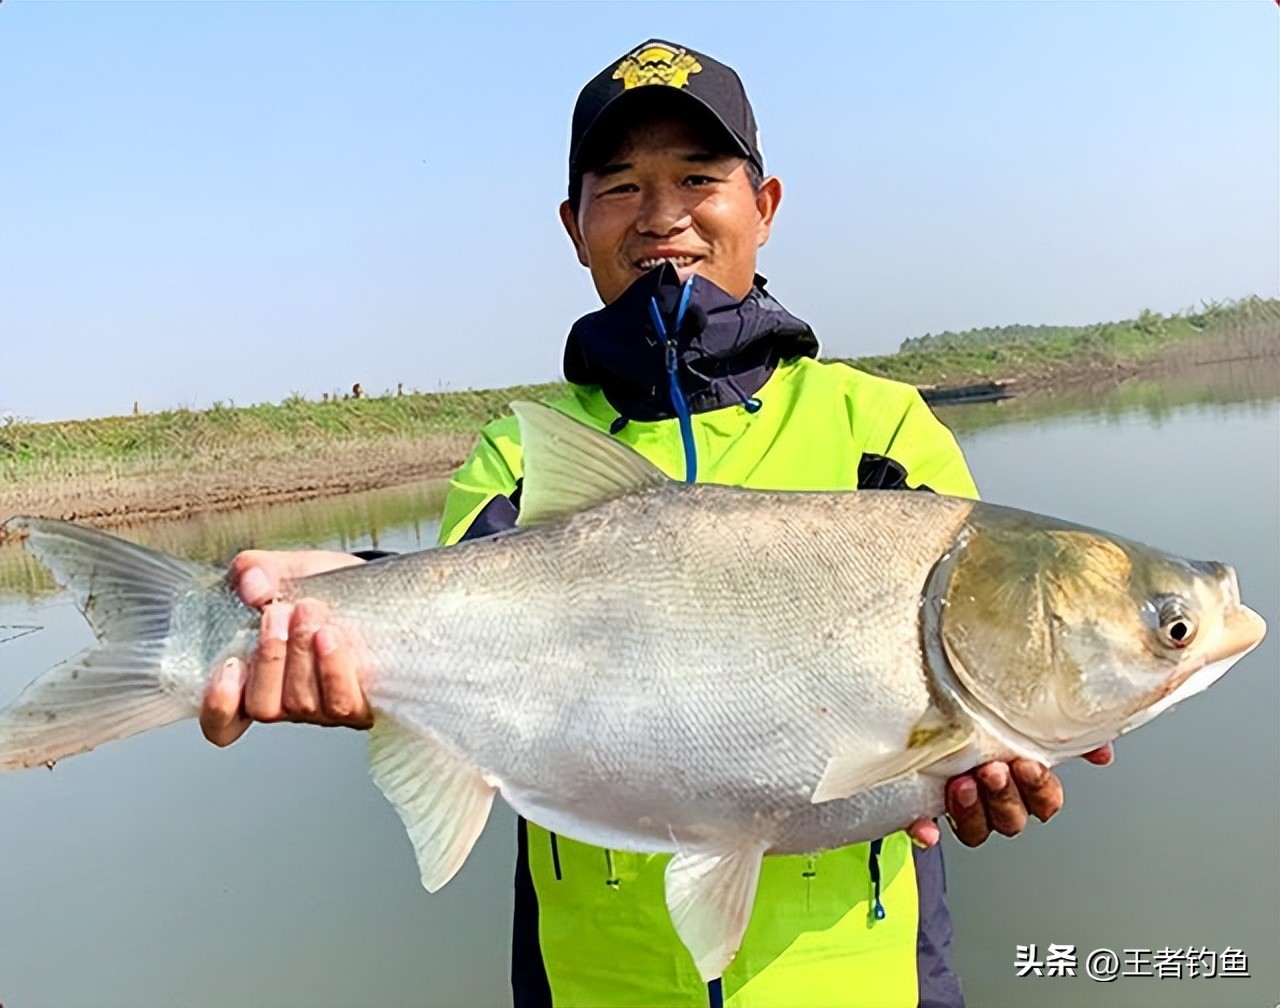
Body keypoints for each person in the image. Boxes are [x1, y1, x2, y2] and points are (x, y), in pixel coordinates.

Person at [200, 40, 1112, 1008]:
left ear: (763, 206)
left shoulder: (880, 432)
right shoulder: (519, 453)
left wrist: (998, 758)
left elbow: (963, 688)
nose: (663, 214)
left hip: (863, 982)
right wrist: (328, 610)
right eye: (623, 185)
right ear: (574, 224)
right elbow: (466, 607)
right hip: (593, 984)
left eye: (698, 177)